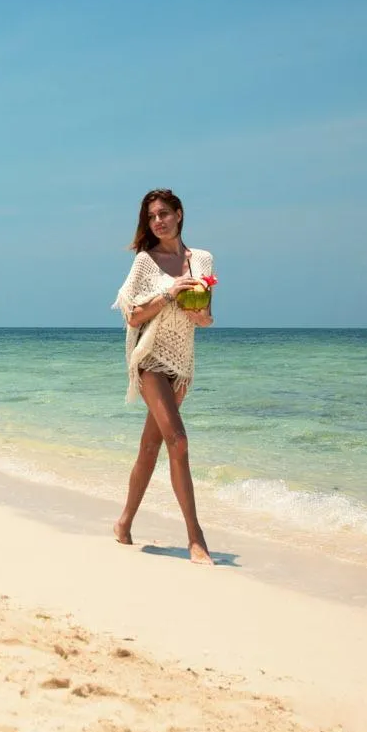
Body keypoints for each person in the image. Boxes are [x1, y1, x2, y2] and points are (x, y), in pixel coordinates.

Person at [111, 188, 216, 565]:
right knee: (179, 441)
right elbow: (133, 316)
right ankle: (196, 538)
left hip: (181, 364)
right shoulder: (145, 262)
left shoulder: (201, 259)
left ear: (179, 214)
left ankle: (123, 523)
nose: (158, 221)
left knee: (150, 448)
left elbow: (205, 317)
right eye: (152, 217)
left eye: (164, 214)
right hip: (150, 359)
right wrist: (171, 293)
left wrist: (199, 311)